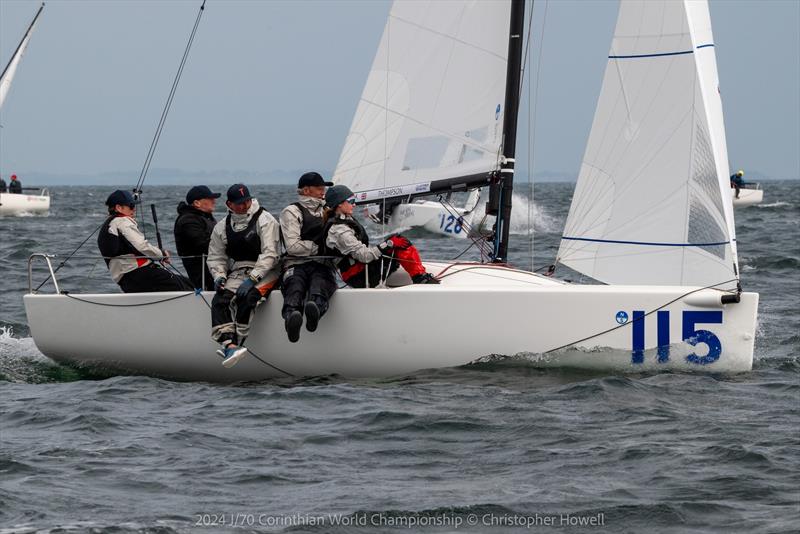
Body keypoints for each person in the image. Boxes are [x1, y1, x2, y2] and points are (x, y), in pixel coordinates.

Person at [206, 184, 281, 367]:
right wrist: (219, 276)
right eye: (239, 203)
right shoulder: (221, 227)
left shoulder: (265, 219)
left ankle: (239, 341)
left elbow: (271, 254)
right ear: (229, 204)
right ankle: (229, 345)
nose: (244, 205)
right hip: (239, 269)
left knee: (248, 296)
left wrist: (253, 279)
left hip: (268, 270)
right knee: (220, 300)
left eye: (246, 201)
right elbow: (216, 257)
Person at [323, 185, 440, 287]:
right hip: (358, 276)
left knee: (397, 240)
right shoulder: (339, 230)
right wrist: (388, 244)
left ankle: (419, 275)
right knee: (398, 242)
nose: (354, 204)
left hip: (361, 269)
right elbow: (364, 256)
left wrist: (388, 244)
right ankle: (420, 278)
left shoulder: (345, 220)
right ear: (339, 204)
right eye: (351, 201)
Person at [279, 171, 338, 343]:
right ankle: (292, 317)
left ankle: (315, 311)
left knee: (320, 282)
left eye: (323, 188)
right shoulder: (291, 212)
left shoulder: (329, 210)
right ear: (306, 190)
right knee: (295, 284)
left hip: (322, 263)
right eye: (319, 188)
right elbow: (292, 246)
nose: (323, 191)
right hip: (295, 263)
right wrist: (319, 248)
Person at [97, 189, 194, 293]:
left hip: (126, 279)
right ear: (118, 208)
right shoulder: (122, 222)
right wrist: (161, 254)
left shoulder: (109, 225)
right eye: (131, 206)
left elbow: (132, 248)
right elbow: (141, 246)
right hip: (139, 274)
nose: (134, 209)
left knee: (186, 282)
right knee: (188, 288)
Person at [174, 185, 221, 290]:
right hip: (203, 273)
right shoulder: (188, 220)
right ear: (197, 203)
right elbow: (202, 245)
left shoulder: (206, 217)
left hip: (215, 266)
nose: (214, 201)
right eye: (210, 199)